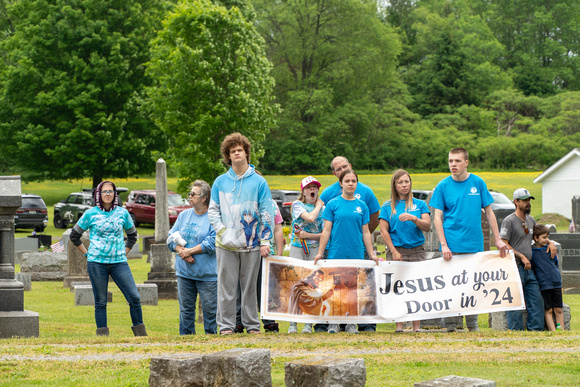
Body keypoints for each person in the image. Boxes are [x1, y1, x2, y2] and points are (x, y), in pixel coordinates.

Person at [430, 147, 508, 332]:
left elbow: (489, 212)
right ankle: (450, 325)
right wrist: (444, 245)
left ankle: (472, 325)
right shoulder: (442, 186)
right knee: (450, 285)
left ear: (466, 162)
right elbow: (437, 218)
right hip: (451, 245)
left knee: (472, 285)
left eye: (457, 161)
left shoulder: (478, 183)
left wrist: (498, 240)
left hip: (473, 244)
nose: (453, 165)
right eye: (450, 161)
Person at [208, 132, 275, 335]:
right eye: (232, 151)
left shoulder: (259, 182)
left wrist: (265, 240)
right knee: (226, 287)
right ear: (228, 156)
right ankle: (226, 327)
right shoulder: (220, 182)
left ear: (246, 153)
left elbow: (267, 213)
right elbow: (213, 210)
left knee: (249, 288)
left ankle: (252, 326)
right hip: (225, 244)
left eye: (240, 150)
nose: (236, 154)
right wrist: (222, 231)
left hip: (252, 243)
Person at [70, 181, 146, 337]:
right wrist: (86, 254)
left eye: (111, 191)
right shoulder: (90, 214)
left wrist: (124, 252)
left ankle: (141, 335)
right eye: (104, 192)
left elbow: (132, 235)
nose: (108, 194)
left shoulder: (122, 213)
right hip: (97, 263)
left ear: (115, 194)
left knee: (134, 297)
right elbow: (74, 235)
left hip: (119, 263)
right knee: (101, 302)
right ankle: (103, 337)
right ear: (98, 194)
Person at [319, 156, 380, 333]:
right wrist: (320, 252)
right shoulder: (332, 203)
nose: (351, 183)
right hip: (336, 252)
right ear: (341, 183)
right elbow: (326, 231)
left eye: (353, 181)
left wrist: (372, 253)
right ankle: (334, 322)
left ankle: (352, 321)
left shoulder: (362, 205)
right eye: (347, 181)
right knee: (335, 287)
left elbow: (366, 232)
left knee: (353, 288)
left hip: (356, 252)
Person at [379, 169, 431, 333]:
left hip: (417, 250)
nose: (404, 185)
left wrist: (415, 218)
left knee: (417, 288)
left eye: (406, 182)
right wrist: (393, 251)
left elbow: (427, 226)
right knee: (397, 288)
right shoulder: (388, 206)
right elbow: (383, 231)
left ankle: (416, 326)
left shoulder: (420, 204)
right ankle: (399, 325)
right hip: (397, 251)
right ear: (395, 185)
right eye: (400, 182)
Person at [167, 180, 217, 335]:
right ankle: (187, 342)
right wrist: (181, 251)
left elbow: (212, 242)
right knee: (186, 311)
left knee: (210, 312)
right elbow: (170, 238)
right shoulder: (183, 216)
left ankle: (211, 341)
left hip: (207, 275)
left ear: (204, 198)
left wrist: (189, 252)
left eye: (193, 194)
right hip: (184, 273)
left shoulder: (213, 217)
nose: (190, 196)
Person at [500, 188, 546, 331]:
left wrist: (550, 243)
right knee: (515, 301)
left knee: (537, 301)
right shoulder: (509, 221)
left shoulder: (530, 220)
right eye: (525, 200)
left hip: (529, 268)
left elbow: (539, 236)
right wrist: (521, 256)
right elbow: (503, 244)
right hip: (515, 266)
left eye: (529, 200)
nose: (528, 203)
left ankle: (535, 330)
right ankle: (516, 332)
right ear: (516, 202)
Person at [235, 201, 284, 333]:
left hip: (267, 254)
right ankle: (238, 321)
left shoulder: (272, 204)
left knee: (265, 290)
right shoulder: (244, 201)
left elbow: (278, 229)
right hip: (246, 251)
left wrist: (279, 254)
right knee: (241, 287)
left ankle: (269, 322)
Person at [288, 176, 325, 333]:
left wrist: (309, 236)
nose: (313, 190)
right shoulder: (297, 205)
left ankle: (308, 323)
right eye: (309, 187)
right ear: (303, 191)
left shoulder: (323, 209)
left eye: (315, 187)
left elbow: (325, 234)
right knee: (296, 284)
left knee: (312, 285)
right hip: (298, 248)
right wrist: (319, 205)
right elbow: (310, 218)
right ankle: (293, 323)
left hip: (314, 250)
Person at [532, 224, 564, 331]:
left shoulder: (551, 249)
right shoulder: (531, 253)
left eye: (547, 237)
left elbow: (555, 263)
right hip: (544, 285)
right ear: (536, 238)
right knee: (548, 310)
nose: (546, 240)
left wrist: (551, 243)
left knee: (558, 309)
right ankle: (553, 331)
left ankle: (561, 331)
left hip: (556, 283)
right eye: (544, 238)